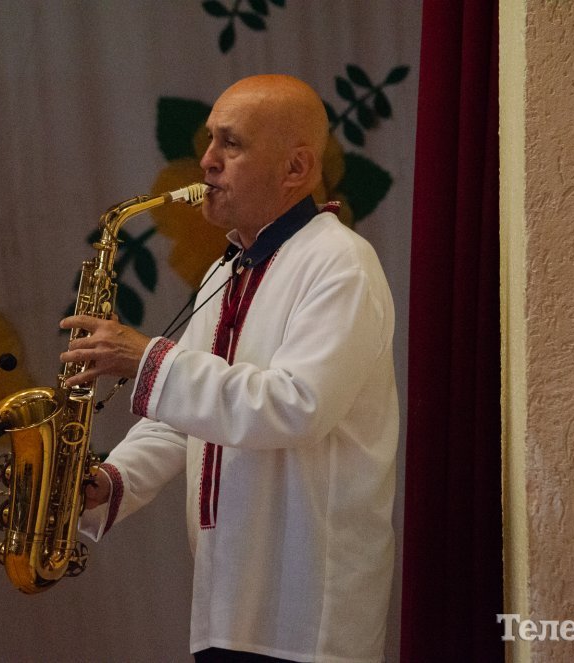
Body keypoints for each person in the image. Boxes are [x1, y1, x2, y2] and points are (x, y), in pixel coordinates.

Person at [59, 74, 398, 663]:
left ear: (296, 168)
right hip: (228, 594)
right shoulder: (229, 268)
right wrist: (113, 480)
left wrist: (146, 358)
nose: (207, 160)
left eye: (231, 144)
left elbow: (296, 407)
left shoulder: (340, 263)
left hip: (307, 606)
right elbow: (186, 417)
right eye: (210, 140)